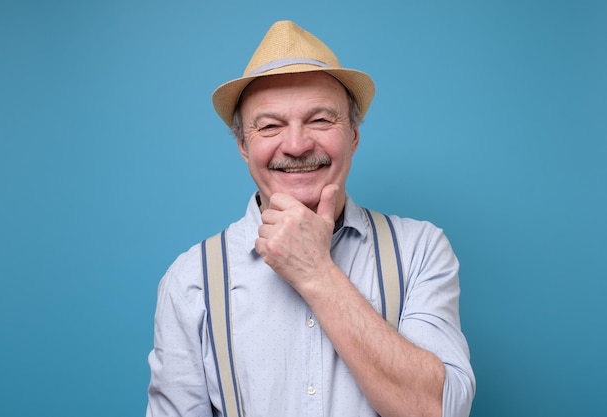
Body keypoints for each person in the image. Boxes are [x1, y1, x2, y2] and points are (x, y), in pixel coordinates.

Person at [146, 20, 475, 417]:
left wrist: (317, 272)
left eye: (320, 120)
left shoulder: (419, 249)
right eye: (269, 126)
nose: (298, 145)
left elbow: (441, 411)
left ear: (353, 135)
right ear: (243, 146)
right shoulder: (191, 280)